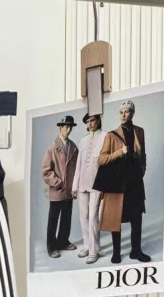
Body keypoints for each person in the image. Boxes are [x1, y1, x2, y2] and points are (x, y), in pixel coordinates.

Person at [93, 99, 150, 264]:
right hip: (117, 182)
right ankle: (116, 252)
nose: (123, 115)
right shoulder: (111, 135)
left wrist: (142, 170)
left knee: (136, 217)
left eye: (127, 112)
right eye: (121, 112)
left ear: (132, 113)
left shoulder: (139, 131)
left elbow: (143, 154)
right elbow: (101, 159)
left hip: (134, 181)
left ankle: (136, 251)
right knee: (115, 217)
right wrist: (120, 152)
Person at [41, 114, 79, 258]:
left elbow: (77, 169)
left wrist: (75, 186)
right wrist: (58, 182)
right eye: (66, 127)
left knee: (66, 218)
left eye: (70, 127)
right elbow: (46, 171)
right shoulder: (52, 148)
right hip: (57, 190)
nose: (68, 130)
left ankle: (63, 241)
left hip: (69, 190)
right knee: (53, 219)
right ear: (60, 128)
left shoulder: (73, 147)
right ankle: (51, 247)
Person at [72, 112, 106, 263]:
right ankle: (88, 245)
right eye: (87, 122)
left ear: (98, 120)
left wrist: (105, 185)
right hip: (82, 184)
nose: (90, 124)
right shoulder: (83, 140)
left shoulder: (105, 136)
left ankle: (93, 251)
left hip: (97, 183)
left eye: (92, 120)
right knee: (84, 216)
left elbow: (107, 165)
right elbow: (78, 165)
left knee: (93, 216)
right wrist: (74, 186)